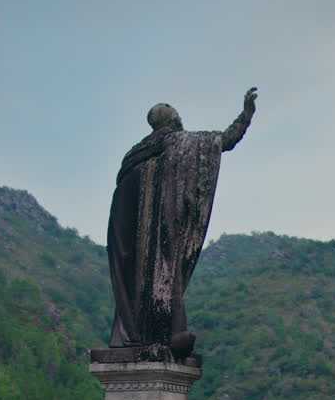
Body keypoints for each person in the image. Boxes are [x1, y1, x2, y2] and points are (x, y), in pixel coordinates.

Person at [107, 88, 258, 358]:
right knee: (165, 277)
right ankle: (162, 334)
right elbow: (224, 140)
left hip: (130, 242)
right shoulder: (179, 143)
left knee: (143, 282)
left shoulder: (134, 156)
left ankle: (141, 334)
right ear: (173, 120)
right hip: (160, 239)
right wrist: (245, 116)